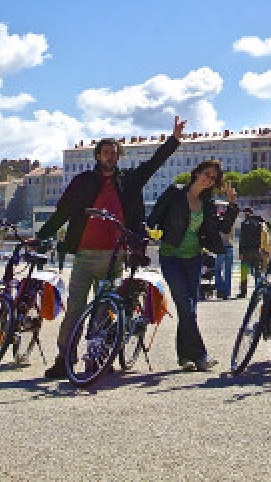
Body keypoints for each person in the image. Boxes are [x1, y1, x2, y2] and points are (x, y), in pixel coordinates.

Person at [36, 115, 186, 379]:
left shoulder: (127, 181)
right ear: (97, 155)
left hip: (114, 256)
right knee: (75, 309)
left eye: (114, 153)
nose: (110, 157)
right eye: (106, 152)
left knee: (105, 309)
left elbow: (152, 165)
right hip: (84, 254)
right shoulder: (83, 181)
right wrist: (42, 236)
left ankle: (99, 355)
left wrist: (173, 141)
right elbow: (62, 212)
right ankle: (65, 358)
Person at [148, 159, 239, 371]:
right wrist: (149, 233)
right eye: (206, 174)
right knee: (185, 306)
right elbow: (154, 216)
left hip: (194, 258)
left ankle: (184, 358)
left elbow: (221, 229)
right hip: (171, 256)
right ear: (196, 173)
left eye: (213, 177)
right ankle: (201, 355)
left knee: (190, 309)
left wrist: (232, 205)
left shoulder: (207, 203)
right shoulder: (175, 192)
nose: (209, 179)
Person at [237, 207, 266, 298]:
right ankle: (258, 290)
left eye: (244, 213)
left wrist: (240, 252)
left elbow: (242, 239)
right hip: (257, 250)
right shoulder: (259, 223)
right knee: (258, 272)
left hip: (246, 251)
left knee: (244, 272)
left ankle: (243, 292)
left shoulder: (244, 224)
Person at [213, 207, 235, 300]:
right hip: (229, 247)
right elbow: (232, 237)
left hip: (221, 248)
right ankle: (227, 292)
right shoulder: (230, 225)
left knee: (217, 270)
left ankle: (220, 289)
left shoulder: (217, 224)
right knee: (228, 271)